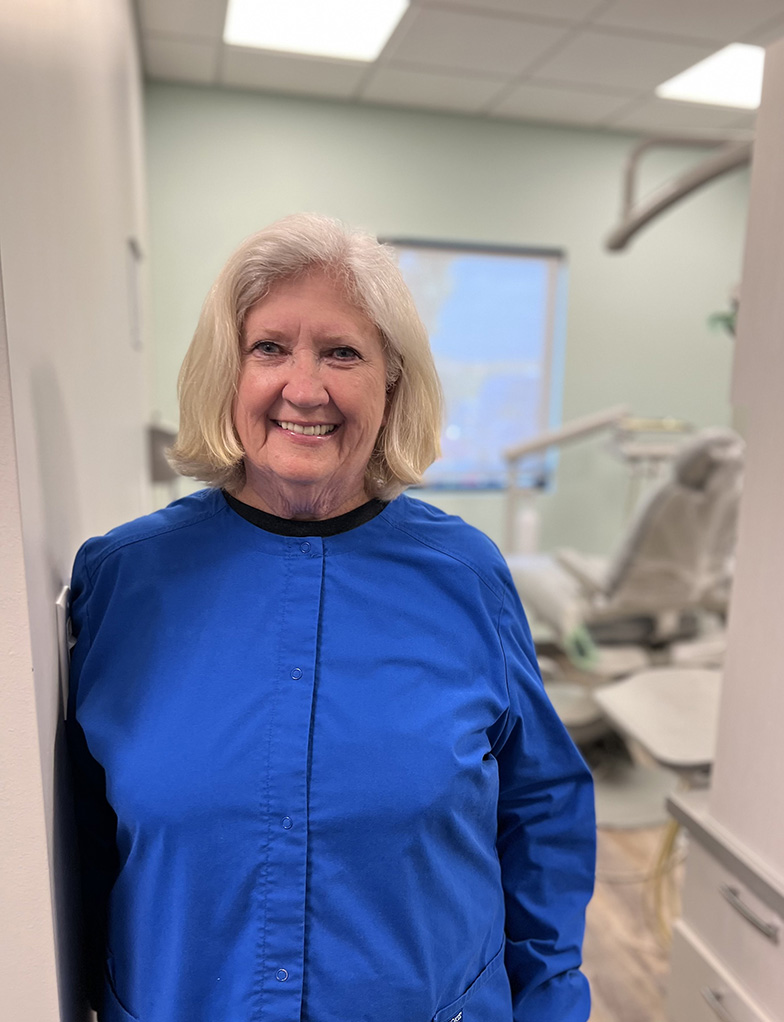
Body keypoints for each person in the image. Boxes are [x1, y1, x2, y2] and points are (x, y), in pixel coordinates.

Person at [67, 213, 595, 1022]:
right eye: (269, 348)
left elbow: (543, 807)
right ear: (227, 372)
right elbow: (78, 839)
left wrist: (551, 1002)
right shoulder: (124, 580)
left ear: (392, 382)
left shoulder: (467, 578)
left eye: (342, 352)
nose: (304, 389)